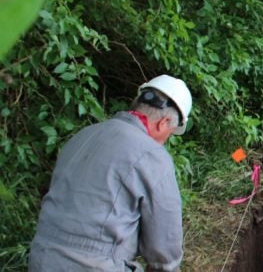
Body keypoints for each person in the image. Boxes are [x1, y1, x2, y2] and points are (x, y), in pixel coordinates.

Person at [29, 74, 193, 271]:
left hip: (40, 257)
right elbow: (164, 248)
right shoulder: (152, 155)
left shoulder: (82, 136)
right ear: (163, 123)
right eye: (169, 133)